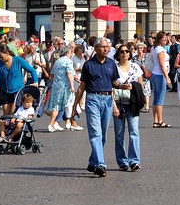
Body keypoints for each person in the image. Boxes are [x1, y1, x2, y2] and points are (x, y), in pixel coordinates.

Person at [72, 38, 123, 177]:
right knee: (95, 133)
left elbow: (114, 83)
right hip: (92, 99)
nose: (106, 49)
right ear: (95, 48)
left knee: (103, 136)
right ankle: (101, 164)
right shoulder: (89, 65)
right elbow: (82, 86)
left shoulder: (111, 63)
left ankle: (93, 161)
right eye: (103, 47)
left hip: (107, 99)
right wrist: (75, 106)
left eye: (107, 47)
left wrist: (122, 86)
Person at [0, 45, 39, 141]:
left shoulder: (17, 60)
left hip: (17, 91)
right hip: (5, 91)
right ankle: (4, 136)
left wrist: (35, 82)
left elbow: (31, 70)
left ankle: (13, 137)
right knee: (6, 116)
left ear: (7, 53)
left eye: (1, 56)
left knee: (13, 115)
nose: (0, 59)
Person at [112, 43, 144, 171]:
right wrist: (114, 104)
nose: (124, 53)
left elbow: (140, 85)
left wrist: (134, 88)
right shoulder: (114, 68)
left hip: (133, 103)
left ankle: (134, 161)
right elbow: (111, 84)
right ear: (118, 55)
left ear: (130, 54)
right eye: (122, 51)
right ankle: (122, 161)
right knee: (119, 134)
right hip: (119, 102)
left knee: (134, 132)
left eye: (126, 51)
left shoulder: (136, 67)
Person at [45, 45, 77, 132]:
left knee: (61, 105)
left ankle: (56, 123)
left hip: (56, 86)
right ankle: (51, 124)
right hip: (64, 86)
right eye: (71, 52)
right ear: (68, 52)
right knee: (58, 106)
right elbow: (69, 74)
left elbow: (51, 75)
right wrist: (72, 85)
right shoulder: (68, 61)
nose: (71, 53)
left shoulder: (57, 61)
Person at [149, 31, 171, 128]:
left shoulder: (155, 48)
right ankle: (160, 120)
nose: (165, 41)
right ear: (159, 39)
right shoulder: (160, 50)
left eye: (166, 39)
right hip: (160, 75)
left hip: (154, 74)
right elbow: (162, 65)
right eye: (164, 39)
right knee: (160, 98)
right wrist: (167, 77)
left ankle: (155, 121)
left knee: (156, 98)